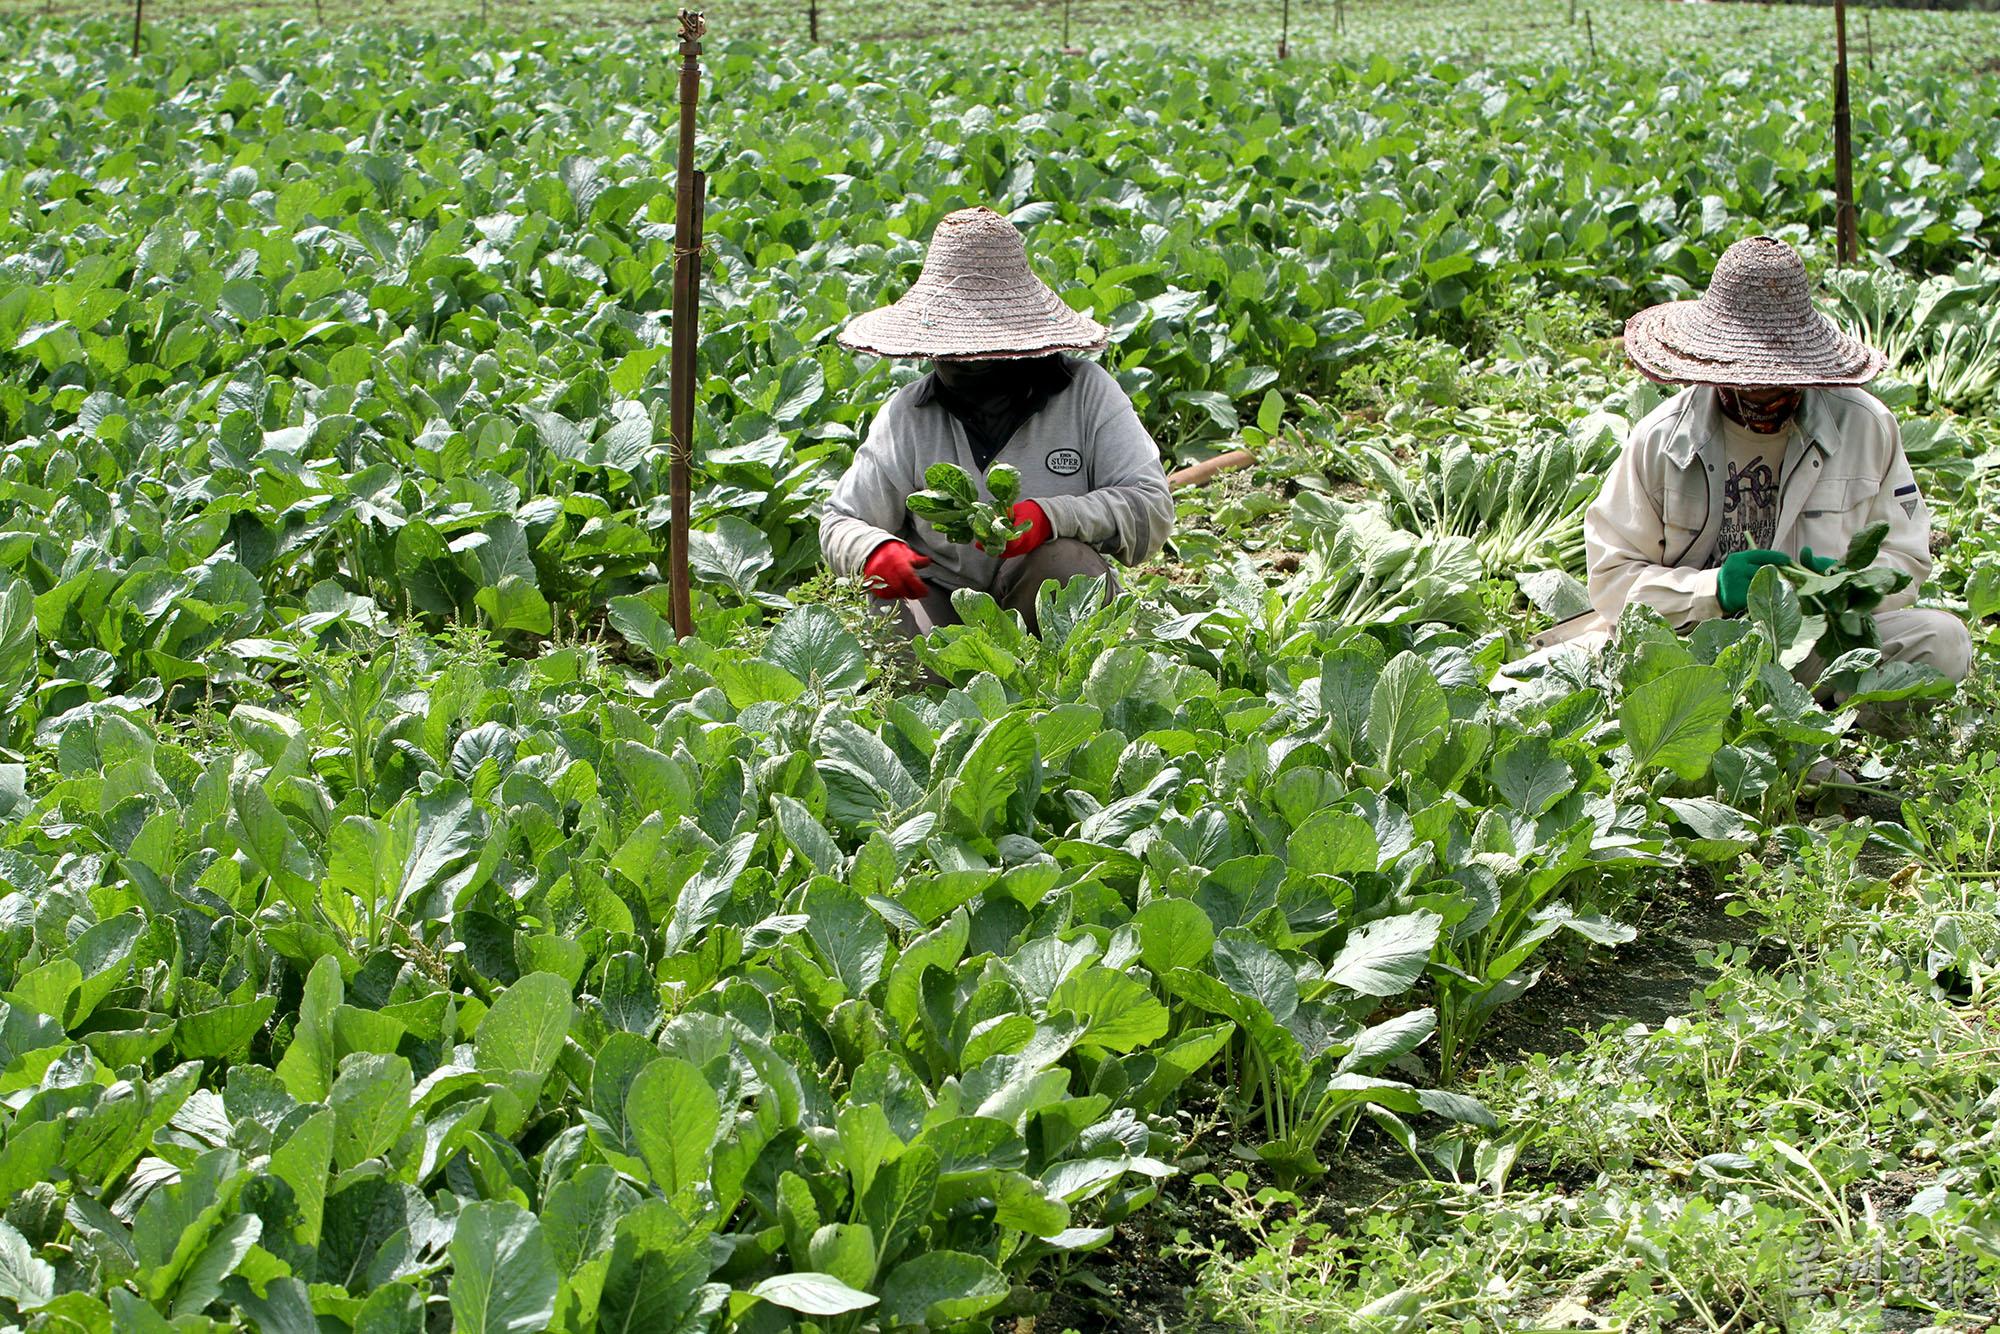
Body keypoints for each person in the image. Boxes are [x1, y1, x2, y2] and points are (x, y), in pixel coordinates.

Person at [1548, 235, 1970, 681]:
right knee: (1634, 662)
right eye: (1748, 378)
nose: (1762, 392)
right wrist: (1713, 591)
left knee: (1944, 641)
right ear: (1715, 366)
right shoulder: (1661, 440)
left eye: (1779, 379)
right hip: (1697, 650)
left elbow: (1906, 555)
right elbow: (1614, 583)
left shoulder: (1866, 425)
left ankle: (1822, 707)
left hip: (1820, 645)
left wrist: (1845, 587)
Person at [821, 207, 1174, 637]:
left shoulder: (1087, 394)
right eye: (952, 352)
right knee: (911, 661)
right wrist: (872, 550)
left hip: (1045, 596)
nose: (967, 365)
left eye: (984, 352)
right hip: (943, 601)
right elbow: (840, 520)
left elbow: (1151, 508)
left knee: (1071, 567)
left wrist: (1050, 518)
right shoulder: (909, 415)